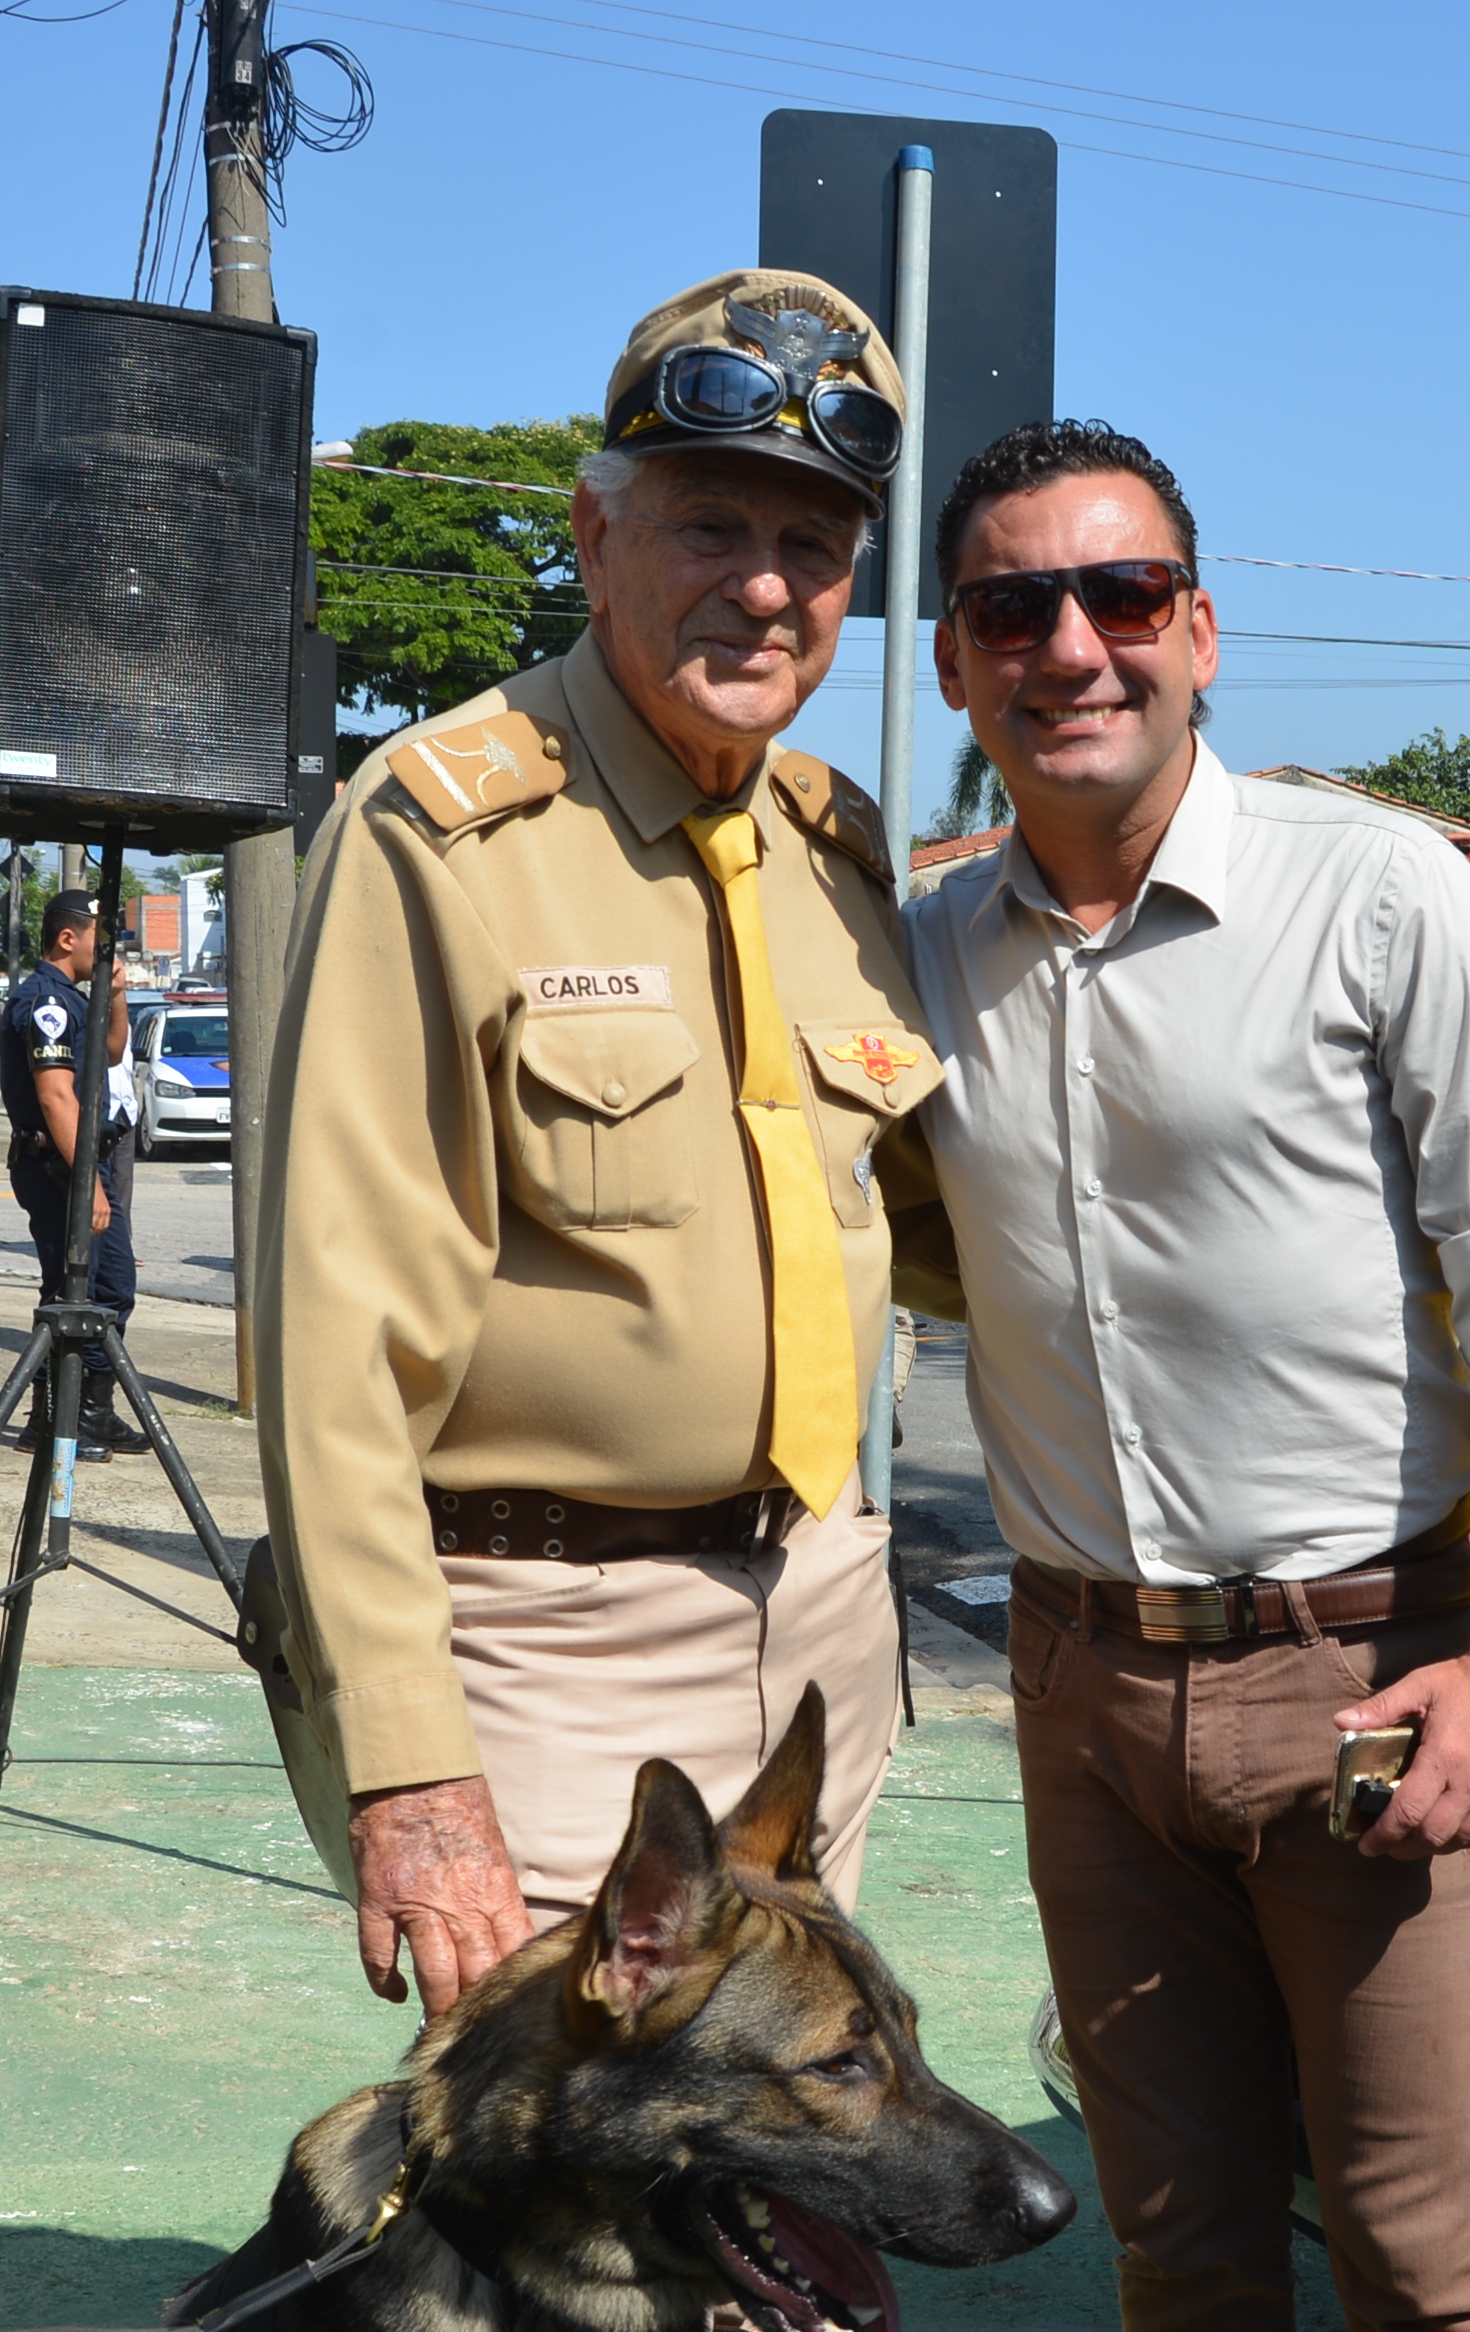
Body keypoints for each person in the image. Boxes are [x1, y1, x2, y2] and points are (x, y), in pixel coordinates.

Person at [905, 418, 1470, 2332]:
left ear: (1200, 629)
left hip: (1370, 1676)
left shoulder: (1380, 889)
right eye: (1015, 606)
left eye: (1121, 595)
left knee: (1422, 2250)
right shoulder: (923, 949)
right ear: (953, 659)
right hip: (1081, 1685)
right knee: (1178, 2238)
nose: (1073, 645)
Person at [255, 268, 946, 1999]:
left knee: (778, 2142)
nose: (766, 586)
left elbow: (939, 1233)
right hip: (544, 1644)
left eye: (815, 545)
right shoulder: (442, 831)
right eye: (711, 524)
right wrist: (410, 1763)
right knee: (551, 2162)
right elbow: (336, 1344)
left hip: (818, 1628)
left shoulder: (841, 857)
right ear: (594, 532)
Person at [0, 891, 145, 1457]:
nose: (109, 950)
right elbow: (56, 1096)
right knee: (71, 1291)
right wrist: (89, 1185)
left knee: (110, 1287)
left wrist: (117, 994)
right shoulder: (46, 1003)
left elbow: (110, 1052)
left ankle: (92, 1412)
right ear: (68, 938)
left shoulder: (73, 1000)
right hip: (59, 1169)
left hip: (82, 1164)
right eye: (101, 939)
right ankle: (52, 1421)